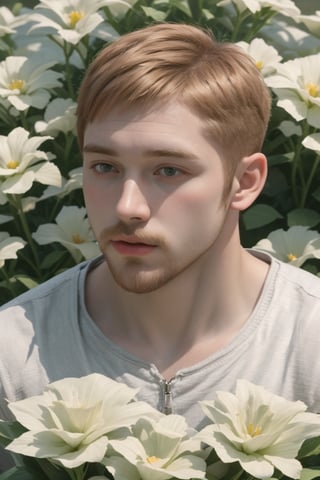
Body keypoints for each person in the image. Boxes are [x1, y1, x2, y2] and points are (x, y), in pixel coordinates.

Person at [0, 22, 320, 470]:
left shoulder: (310, 343)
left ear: (245, 182)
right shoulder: (13, 355)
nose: (128, 207)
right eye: (105, 166)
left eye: (168, 170)